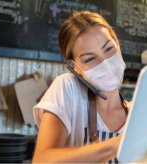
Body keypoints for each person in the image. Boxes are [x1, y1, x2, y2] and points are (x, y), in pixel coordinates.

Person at [32, 10, 130, 163]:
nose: (105, 63)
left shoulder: (136, 112)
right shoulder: (68, 88)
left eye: (109, 49)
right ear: (75, 66)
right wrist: (116, 145)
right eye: (90, 58)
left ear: (117, 42)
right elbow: (42, 160)